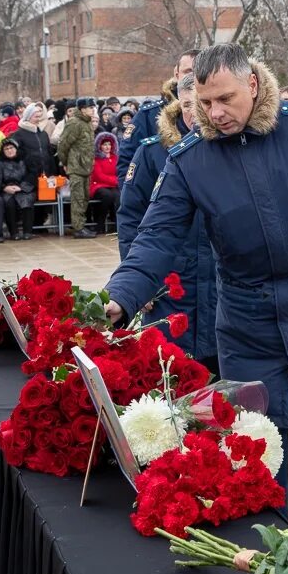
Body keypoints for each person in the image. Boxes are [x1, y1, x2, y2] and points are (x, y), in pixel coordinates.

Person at [104, 44, 288, 531]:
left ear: (254, 85)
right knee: (259, 429)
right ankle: (271, 527)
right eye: (204, 102)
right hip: (247, 317)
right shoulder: (188, 160)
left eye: (225, 99)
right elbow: (155, 236)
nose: (215, 114)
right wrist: (121, 295)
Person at [116, 74, 218, 367]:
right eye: (187, 104)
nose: (193, 112)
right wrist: (136, 284)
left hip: (216, 281)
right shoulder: (152, 152)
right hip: (170, 280)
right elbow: (131, 218)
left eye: (199, 104)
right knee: (168, 368)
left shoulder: (231, 147)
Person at [116, 49, 199, 185]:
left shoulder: (215, 111)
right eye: (188, 72)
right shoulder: (149, 114)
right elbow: (127, 161)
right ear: (176, 75)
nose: (192, 77)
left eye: (197, 72)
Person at [57, 96, 97, 239]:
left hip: (86, 166)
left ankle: (82, 224)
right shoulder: (75, 123)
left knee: (85, 198)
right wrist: (66, 163)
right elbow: (63, 145)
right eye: (90, 108)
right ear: (82, 109)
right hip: (76, 166)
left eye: (93, 107)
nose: (93, 110)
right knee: (78, 198)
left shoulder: (87, 123)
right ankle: (78, 228)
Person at [0, 138, 36, 240]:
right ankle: (13, 232)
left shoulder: (26, 159)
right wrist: (5, 188)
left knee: (27, 201)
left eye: (11, 148)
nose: (9, 150)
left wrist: (21, 187)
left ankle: (27, 231)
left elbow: (32, 174)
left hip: (24, 188)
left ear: (16, 148)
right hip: (7, 189)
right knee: (9, 203)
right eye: (6, 149)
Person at [90, 132, 120, 233]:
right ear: (100, 146)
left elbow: (118, 172)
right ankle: (99, 224)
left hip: (113, 186)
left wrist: (116, 181)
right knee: (107, 196)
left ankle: (117, 225)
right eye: (105, 144)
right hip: (99, 185)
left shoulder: (115, 158)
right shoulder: (96, 159)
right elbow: (99, 176)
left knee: (118, 196)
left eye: (109, 144)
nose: (107, 147)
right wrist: (115, 181)